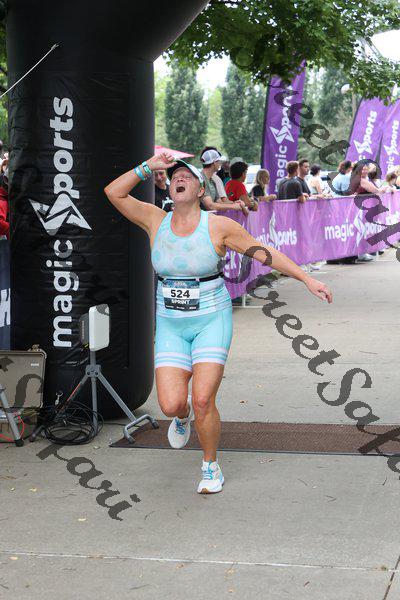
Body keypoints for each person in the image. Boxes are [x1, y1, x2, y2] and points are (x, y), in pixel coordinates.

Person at [104, 151, 333, 494]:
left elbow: (264, 253)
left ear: (200, 190)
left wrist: (306, 278)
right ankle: (182, 417)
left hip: (211, 319)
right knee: (171, 404)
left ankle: (210, 466)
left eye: (187, 176)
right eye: (175, 176)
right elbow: (113, 192)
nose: (179, 178)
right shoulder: (155, 219)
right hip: (170, 324)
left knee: (203, 399)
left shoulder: (219, 226)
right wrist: (147, 167)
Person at [200, 147, 247, 215]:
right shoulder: (201, 179)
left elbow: (219, 202)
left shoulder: (212, 181)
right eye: (219, 161)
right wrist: (233, 206)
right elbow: (210, 206)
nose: (220, 163)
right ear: (214, 163)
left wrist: (235, 203)